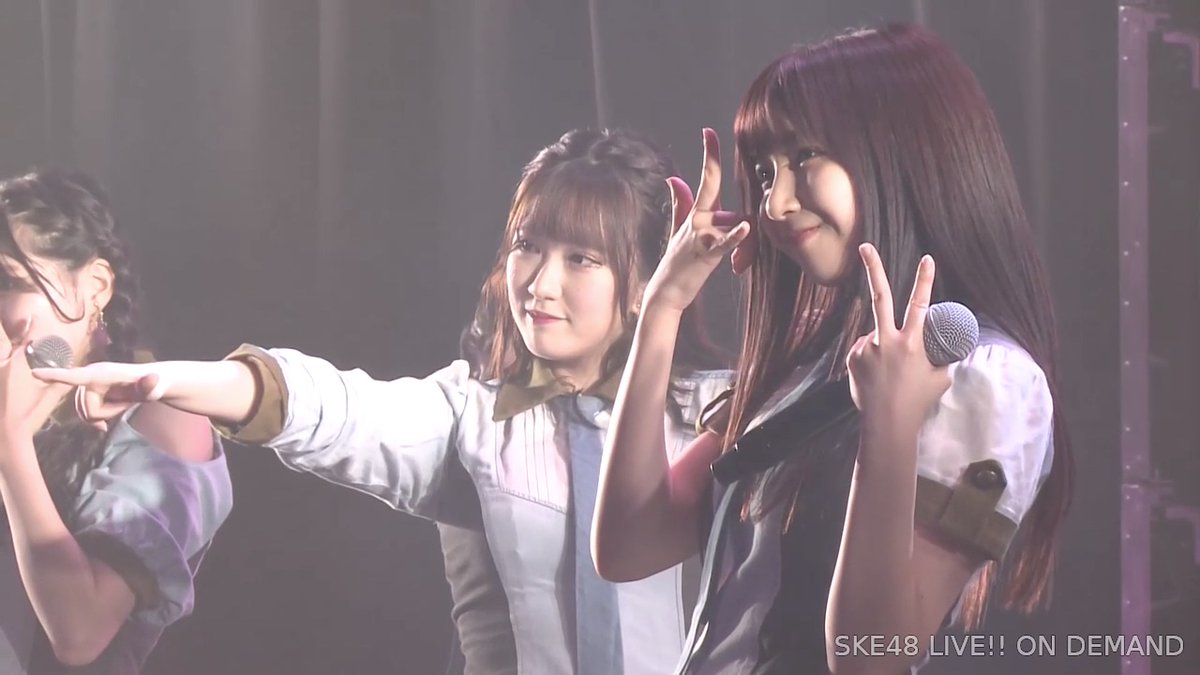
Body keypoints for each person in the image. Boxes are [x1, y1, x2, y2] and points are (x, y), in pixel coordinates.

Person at [37, 129, 732, 674]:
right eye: (528, 246)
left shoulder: (718, 413)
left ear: (647, 278)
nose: (540, 284)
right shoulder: (472, 418)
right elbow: (330, 409)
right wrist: (172, 382)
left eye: (581, 258)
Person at [593, 24, 1073, 674]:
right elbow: (630, 543)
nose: (775, 202)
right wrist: (663, 307)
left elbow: (869, 660)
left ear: (907, 152)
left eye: (807, 156)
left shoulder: (985, 378)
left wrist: (891, 425)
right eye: (765, 172)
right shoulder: (817, 363)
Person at [0, 169, 232, 673]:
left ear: (97, 286)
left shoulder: (164, 417)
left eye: (10, 282)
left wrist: (8, 442)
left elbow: (80, 632)